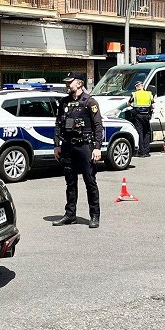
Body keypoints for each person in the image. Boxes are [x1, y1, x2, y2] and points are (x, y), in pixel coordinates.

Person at [53, 72, 104, 228]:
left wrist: (97, 147)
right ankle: (70, 215)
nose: (68, 85)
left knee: (90, 181)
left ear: (80, 84)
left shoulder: (90, 102)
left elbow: (98, 126)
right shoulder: (64, 102)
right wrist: (57, 145)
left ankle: (94, 216)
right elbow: (58, 124)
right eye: (67, 82)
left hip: (85, 147)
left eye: (70, 82)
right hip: (68, 147)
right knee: (70, 182)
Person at [128, 80, 154, 158]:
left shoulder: (134, 94)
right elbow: (153, 106)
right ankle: (146, 151)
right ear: (142, 86)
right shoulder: (149, 94)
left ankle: (141, 152)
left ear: (136, 87)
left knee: (140, 133)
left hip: (138, 116)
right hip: (147, 116)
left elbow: (128, 103)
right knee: (147, 132)